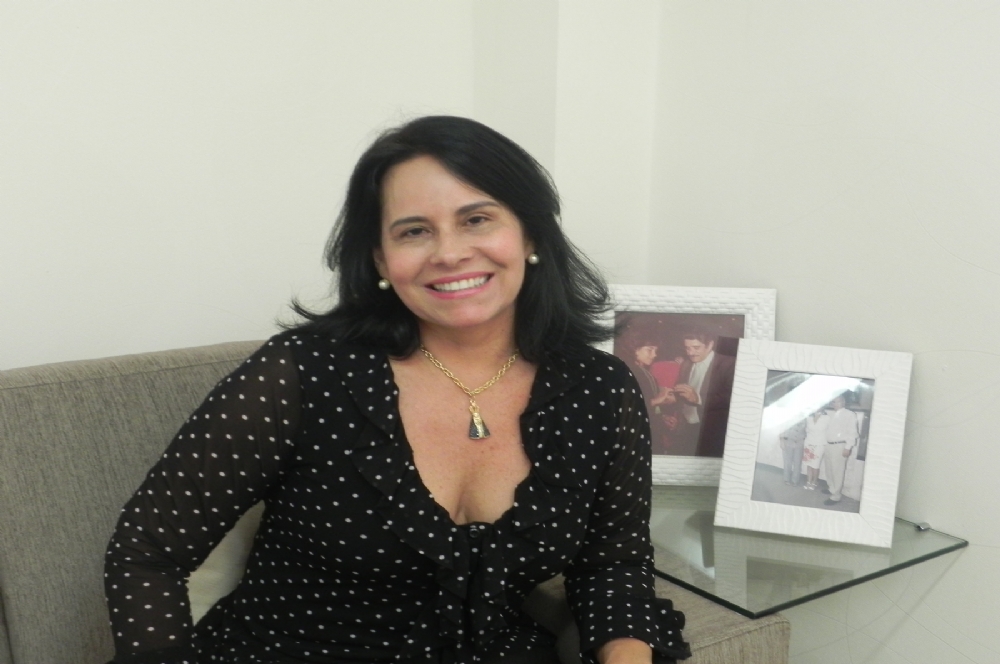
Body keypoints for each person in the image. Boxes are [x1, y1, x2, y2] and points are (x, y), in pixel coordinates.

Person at [103, 116, 690, 664]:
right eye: (414, 231)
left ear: (530, 234)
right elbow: (145, 550)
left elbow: (614, 565)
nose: (450, 253)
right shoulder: (304, 372)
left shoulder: (599, 389)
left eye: (477, 219)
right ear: (381, 260)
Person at [662, 331, 736, 458]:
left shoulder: (729, 364)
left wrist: (699, 399)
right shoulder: (686, 363)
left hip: (712, 431)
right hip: (685, 428)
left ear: (710, 345)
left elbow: (732, 397)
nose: (690, 353)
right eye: (687, 348)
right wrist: (672, 400)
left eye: (696, 348)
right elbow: (681, 394)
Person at [821, 393, 860, 505]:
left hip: (839, 446)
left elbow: (852, 433)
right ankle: (831, 488)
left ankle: (836, 496)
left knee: (837, 471)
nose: (835, 404)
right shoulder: (832, 414)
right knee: (829, 469)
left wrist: (848, 447)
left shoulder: (850, 414)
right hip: (829, 445)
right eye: (833, 402)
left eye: (837, 401)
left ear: (843, 402)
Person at [801, 407, 830, 490]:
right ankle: (808, 481)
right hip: (808, 443)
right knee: (809, 464)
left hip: (820, 444)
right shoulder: (809, 417)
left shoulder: (827, 418)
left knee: (815, 465)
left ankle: (814, 482)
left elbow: (829, 432)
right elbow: (806, 430)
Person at [778, 417, 807, 486]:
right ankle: (787, 479)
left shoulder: (805, 417)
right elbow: (782, 428)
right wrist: (781, 441)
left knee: (797, 463)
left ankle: (795, 480)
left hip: (799, 443)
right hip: (788, 442)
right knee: (787, 462)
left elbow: (807, 430)